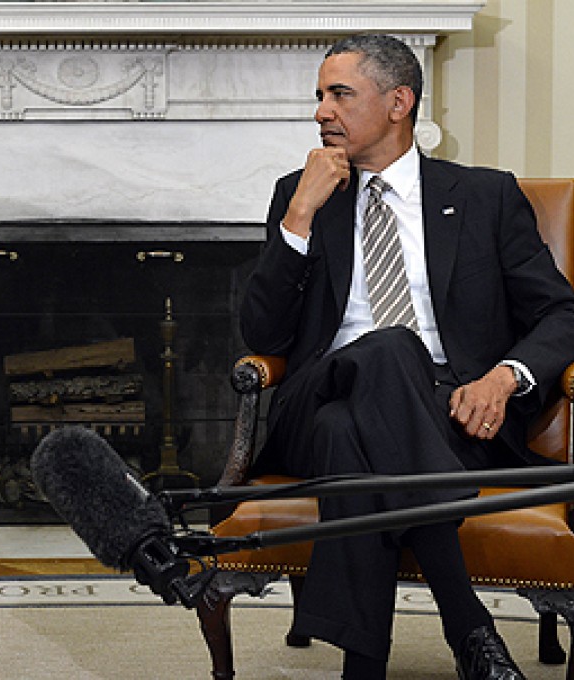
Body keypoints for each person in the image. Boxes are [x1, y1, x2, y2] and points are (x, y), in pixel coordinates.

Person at [240, 34, 574, 680]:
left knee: (348, 432)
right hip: (315, 396)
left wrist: (505, 378)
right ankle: (466, 623)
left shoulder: (484, 196)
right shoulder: (299, 195)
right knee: (391, 348)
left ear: (399, 103)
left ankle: (363, 667)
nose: (321, 112)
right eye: (320, 96)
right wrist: (301, 214)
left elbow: (561, 312)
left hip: (448, 412)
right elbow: (264, 334)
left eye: (340, 94)